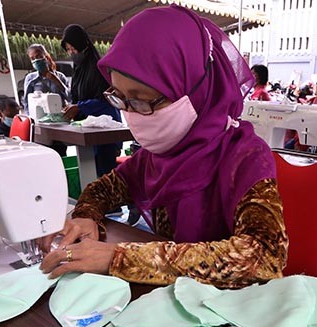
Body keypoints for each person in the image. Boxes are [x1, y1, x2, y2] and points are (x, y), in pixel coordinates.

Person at [39, 5, 288, 289]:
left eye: (143, 100)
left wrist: (124, 258)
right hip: (173, 300)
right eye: (121, 99)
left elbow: (265, 256)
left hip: (228, 312)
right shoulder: (158, 156)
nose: (131, 114)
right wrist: (85, 215)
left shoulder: (246, 157)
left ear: (194, 88)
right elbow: (103, 189)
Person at [60, 24, 121, 178]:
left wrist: (80, 107)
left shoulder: (100, 68)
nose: (71, 53)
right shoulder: (79, 71)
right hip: (87, 130)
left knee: (105, 178)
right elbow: (76, 97)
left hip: (105, 132)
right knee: (90, 175)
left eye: (73, 48)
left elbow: (108, 100)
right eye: (68, 50)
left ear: (83, 44)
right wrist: (71, 107)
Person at [22, 44, 69, 113]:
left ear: (46, 57)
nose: (36, 60)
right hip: (40, 119)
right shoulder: (30, 78)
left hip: (60, 118)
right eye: (32, 58)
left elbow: (70, 98)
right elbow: (27, 103)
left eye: (38, 56)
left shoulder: (60, 77)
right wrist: (30, 119)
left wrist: (57, 81)